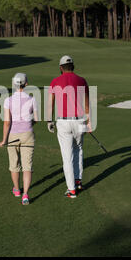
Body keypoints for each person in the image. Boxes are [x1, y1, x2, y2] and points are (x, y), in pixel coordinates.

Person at [47, 55, 91, 199]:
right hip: (79, 121)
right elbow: (86, 104)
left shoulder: (55, 82)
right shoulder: (82, 81)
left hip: (63, 122)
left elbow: (50, 103)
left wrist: (49, 121)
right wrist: (89, 122)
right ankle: (78, 182)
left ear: (61, 68)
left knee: (67, 157)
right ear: (73, 66)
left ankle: (71, 189)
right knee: (78, 150)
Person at [0, 73, 38, 205]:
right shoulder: (32, 99)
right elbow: (36, 119)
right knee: (27, 166)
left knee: (14, 164)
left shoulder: (7, 100)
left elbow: (7, 123)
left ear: (14, 84)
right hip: (28, 134)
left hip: (13, 136)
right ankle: (25, 195)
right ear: (26, 84)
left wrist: (4, 140)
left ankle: (16, 189)